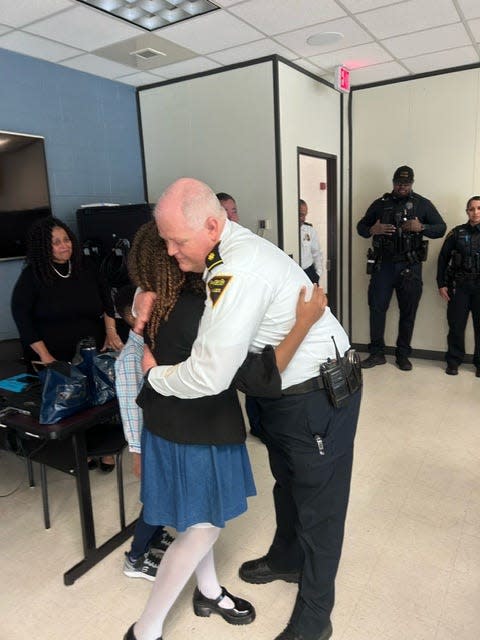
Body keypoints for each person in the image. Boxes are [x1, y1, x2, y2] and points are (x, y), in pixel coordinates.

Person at [133, 178, 361, 640]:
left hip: (316, 394)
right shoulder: (222, 255)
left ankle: (316, 616)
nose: (173, 252)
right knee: (289, 483)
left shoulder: (236, 271)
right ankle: (286, 556)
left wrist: (153, 376)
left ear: (214, 225)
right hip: (278, 393)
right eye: (166, 244)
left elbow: (210, 375)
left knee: (321, 505)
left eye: (178, 241)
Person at [11, 216, 123, 472]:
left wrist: (110, 331)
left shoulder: (85, 267)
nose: (65, 246)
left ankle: (103, 448)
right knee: (71, 405)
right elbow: (23, 319)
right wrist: (47, 358)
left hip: (92, 348)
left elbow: (107, 299)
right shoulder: (32, 277)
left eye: (66, 239)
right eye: (56, 243)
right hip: (54, 355)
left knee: (100, 399)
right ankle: (79, 452)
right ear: (43, 248)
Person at [357, 165, 446, 371]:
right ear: (393, 183)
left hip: (410, 267)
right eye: (398, 183)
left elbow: (441, 228)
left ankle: (403, 355)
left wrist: (421, 227)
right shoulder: (380, 204)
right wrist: (373, 229)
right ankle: (377, 353)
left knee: (408, 312)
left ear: (412, 184)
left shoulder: (422, 205)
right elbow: (360, 227)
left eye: (406, 184)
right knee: (377, 309)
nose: (402, 186)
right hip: (384, 266)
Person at [114, 284, 174, 581]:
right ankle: (136, 557)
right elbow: (129, 410)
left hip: (163, 434)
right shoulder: (129, 359)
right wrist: (136, 452)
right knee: (155, 500)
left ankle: (156, 535)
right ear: (130, 315)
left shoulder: (153, 343)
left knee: (161, 496)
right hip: (147, 441)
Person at [437, 196, 480, 376]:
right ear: (467, 211)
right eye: (471, 209)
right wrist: (441, 284)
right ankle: (454, 361)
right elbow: (442, 260)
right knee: (456, 326)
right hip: (460, 286)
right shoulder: (456, 233)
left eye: (479, 208)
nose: (475, 212)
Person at [299, 198, 323, 284]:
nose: (304, 218)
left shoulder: (309, 230)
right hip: (293, 273)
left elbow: (317, 253)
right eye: (301, 215)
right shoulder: (286, 230)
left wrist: (318, 273)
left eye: (305, 215)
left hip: (309, 272)